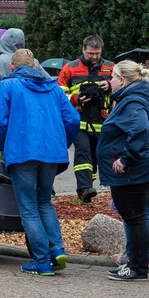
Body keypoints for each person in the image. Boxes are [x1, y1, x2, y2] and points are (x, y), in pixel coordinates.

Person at [0, 48, 80, 276]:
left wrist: (4, 142)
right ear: (35, 66)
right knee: (44, 202)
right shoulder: (54, 89)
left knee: (28, 208)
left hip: (22, 152)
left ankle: (41, 260)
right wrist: (62, 142)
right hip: (51, 152)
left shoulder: (8, 85)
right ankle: (57, 249)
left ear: (12, 67)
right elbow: (73, 119)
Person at [97, 61, 149, 281]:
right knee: (136, 218)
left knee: (135, 219)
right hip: (139, 168)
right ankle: (135, 264)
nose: (110, 82)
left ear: (122, 80)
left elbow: (140, 128)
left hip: (133, 171)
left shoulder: (132, 102)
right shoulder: (135, 99)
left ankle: (137, 268)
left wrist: (126, 157)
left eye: (113, 77)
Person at [55, 35, 113, 203]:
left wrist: (109, 86)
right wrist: (76, 98)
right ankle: (84, 189)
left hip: (102, 121)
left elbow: (121, 86)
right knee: (83, 151)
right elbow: (59, 95)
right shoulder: (70, 68)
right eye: (90, 54)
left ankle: (90, 183)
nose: (94, 57)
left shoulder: (110, 67)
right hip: (78, 120)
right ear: (83, 50)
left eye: (97, 53)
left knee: (96, 155)